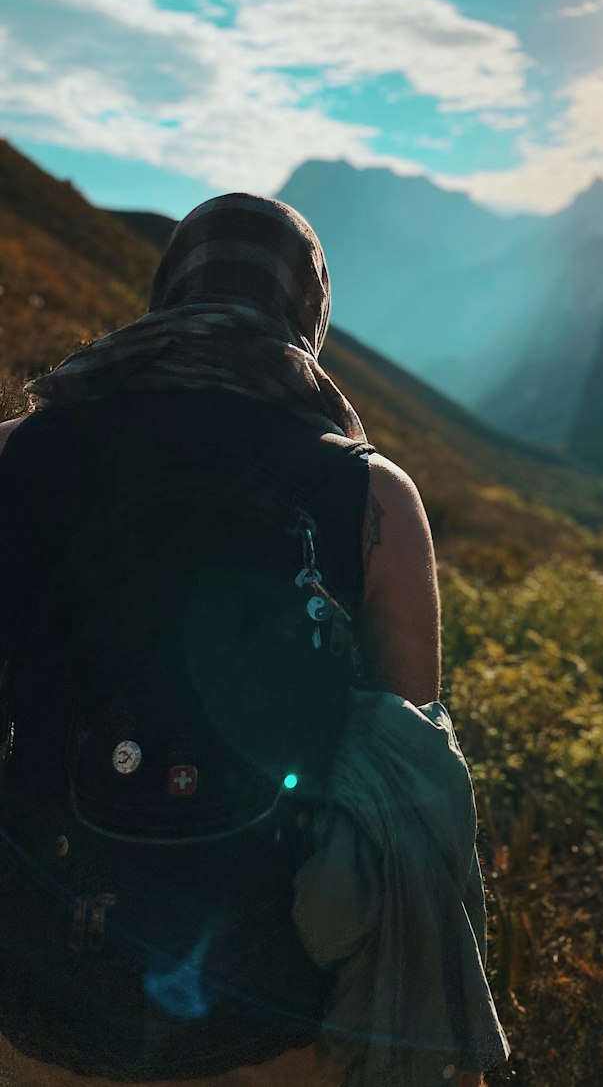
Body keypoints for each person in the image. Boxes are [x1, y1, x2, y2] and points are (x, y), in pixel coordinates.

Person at [0, 193, 505, 1086]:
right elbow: (410, 753)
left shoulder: (19, 452)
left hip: (36, 958)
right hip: (275, 987)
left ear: (169, 293)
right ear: (306, 314)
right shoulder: (373, 493)